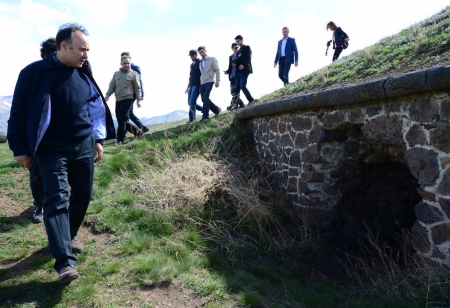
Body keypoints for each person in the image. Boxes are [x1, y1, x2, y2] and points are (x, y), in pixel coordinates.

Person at [7, 23, 116, 283]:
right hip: (51, 148)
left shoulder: (84, 72)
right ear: (64, 46)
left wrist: (98, 139)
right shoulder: (34, 73)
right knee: (56, 200)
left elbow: (94, 108)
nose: (85, 55)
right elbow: (18, 112)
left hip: (83, 145)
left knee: (84, 195)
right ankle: (65, 262)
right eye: (81, 50)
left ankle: (67, 235)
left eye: (87, 50)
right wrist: (20, 148)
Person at [30, 38, 58, 224]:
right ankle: (39, 204)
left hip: (61, 135)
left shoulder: (70, 73)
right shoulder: (33, 73)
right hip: (38, 136)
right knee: (37, 171)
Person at [105, 55, 142, 145]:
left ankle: (120, 140)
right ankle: (138, 132)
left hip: (128, 99)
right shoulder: (116, 74)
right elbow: (112, 85)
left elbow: (137, 88)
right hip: (118, 99)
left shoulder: (134, 74)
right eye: (124, 63)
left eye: (128, 63)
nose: (126, 65)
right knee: (120, 119)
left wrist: (139, 100)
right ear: (121, 63)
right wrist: (107, 95)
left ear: (130, 63)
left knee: (122, 119)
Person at [120, 52, 148, 133]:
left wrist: (141, 94)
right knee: (129, 113)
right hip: (125, 95)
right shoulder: (123, 69)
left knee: (125, 114)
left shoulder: (135, 68)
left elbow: (139, 82)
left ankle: (125, 133)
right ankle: (142, 128)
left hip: (132, 94)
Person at [197, 46, 221, 122]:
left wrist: (217, 81)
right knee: (203, 99)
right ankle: (217, 110)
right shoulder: (200, 62)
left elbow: (217, 70)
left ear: (206, 51)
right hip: (202, 82)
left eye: (202, 52)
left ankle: (205, 116)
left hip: (209, 81)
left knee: (206, 98)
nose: (201, 53)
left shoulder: (212, 59)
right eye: (200, 52)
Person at [234, 35, 257, 105]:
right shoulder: (239, 51)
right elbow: (237, 61)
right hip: (238, 72)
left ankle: (251, 100)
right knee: (236, 88)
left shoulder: (247, 47)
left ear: (242, 40)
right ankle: (237, 104)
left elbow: (249, 58)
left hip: (245, 70)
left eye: (238, 41)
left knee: (242, 86)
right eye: (236, 41)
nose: (237, 43)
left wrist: (243, 65)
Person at [224, 43, 245, 111]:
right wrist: (227, 71)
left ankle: (234, 105)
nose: (237, 49)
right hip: (232, 76)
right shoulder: (231, 57)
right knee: (232, 92)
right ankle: (241, 104)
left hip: (238, 74)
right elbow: (230, 66)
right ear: (232, 48)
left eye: (238, 47)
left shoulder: (240, 55)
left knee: (236, 91)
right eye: (235, 47)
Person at [185, 49, 203, 123]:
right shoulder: (191, 65)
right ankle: (204, 109)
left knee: (192, 102)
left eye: (192, 55)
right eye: (190, 56)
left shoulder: (200, 62)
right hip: (191, 85)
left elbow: (203, 73)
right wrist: (187, 87)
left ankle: (192, 119)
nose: (191, 57)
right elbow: (190, 77)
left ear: (196, 55)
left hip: (197, 84)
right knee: (189, 102)